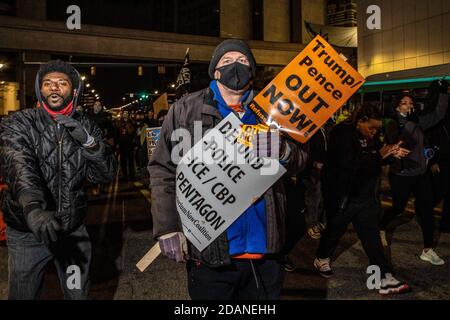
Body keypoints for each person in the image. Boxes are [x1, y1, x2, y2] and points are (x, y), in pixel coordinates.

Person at [148, 39, 307, 300]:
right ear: (215, 71)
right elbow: (163, 169)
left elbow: (301, 160)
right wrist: (167, 226)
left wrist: (283, 151)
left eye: (243, 61)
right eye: (227, 61)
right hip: (211, 253)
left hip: (266, 250)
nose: (236, 65)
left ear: (252, 71)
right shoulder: (185, 110)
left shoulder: (273, 111)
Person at [0, 60, 117, 299]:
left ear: (74, 91)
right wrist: (32, 206)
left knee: (77, 295)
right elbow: (19, 166)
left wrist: (89, 143)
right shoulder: (20, 122)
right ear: (39, 90)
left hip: (71, 232)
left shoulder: (87, 127)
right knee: (23, 294)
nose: (54, 88)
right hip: (27, 233)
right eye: (47, 83)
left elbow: (106, 174)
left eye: (62, 83)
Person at [313, 104, 411, 295]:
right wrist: (379, 155)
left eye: (377, 129)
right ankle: (322, 257)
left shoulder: (370, 137)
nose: (374, 133)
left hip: (366, 196)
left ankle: (384, 276)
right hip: (343, 196)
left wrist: (391, 154)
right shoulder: (341, 132)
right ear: (360, 122)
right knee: (334, 231)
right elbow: (349, 163)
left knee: (371, 237)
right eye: (371, 128)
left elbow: (375, 159)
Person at [380, 80, 449, 265]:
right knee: (398, 207)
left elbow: (438, 114)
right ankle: (380, 227)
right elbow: (399, 143)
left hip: (420, 174)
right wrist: (410, 124)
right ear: (396, 107)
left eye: (411, 102)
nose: (409, 105)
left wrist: (443, 93)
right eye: (404, 103)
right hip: (402, 175)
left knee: (426, 210)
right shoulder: (392, 123)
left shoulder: (417, 120)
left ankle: (427, 249)